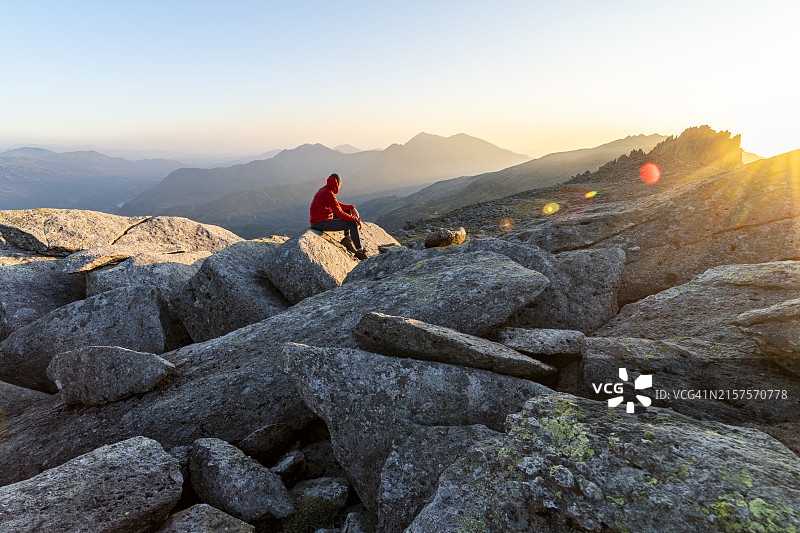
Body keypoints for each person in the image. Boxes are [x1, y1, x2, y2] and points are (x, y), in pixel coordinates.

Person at [309, 173, 368, 260]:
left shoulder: (325, 190)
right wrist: (356, 220)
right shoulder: (328, 193)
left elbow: (336, 205)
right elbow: (340, 214)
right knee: (352, 224)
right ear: (337, 184)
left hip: (318, 220)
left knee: (347, 212)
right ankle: (359, 251)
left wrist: (351, 207)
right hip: (320, 223)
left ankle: (347, 239)